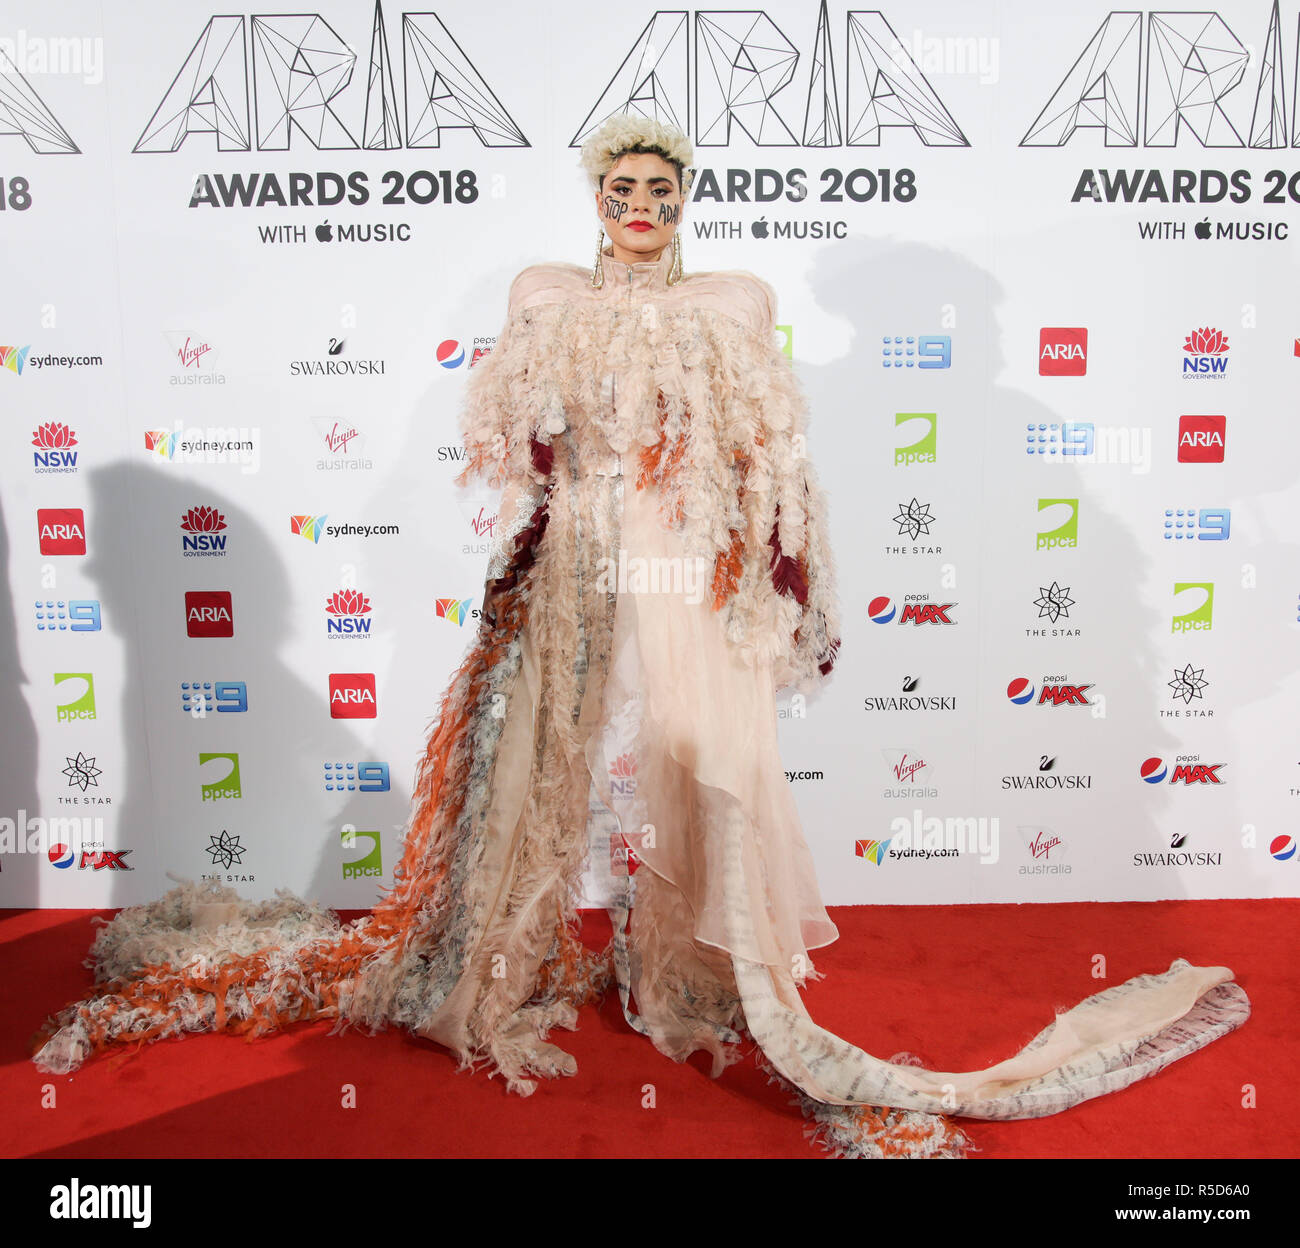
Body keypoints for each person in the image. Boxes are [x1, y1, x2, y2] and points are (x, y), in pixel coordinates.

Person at [31, 115, 1249, 1160]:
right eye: (621, 192)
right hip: (575, 555)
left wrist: (785, 575)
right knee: (533, 757)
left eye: (660, 194)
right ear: (594, 200)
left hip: (680, 552)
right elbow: (522, 439)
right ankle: (489, 965)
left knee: (701, 756)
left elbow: (769, 458)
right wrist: (541, 523)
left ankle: (697, 970)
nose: (639, 209)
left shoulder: (733, 303)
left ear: (684, 207)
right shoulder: (543, 297)